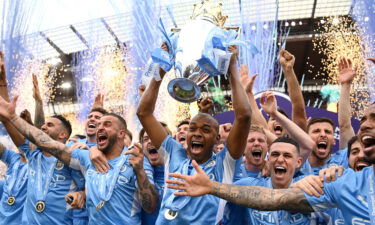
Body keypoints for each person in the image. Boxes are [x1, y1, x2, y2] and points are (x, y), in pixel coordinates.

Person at [165, 103, 375, 224]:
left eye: (373, 118)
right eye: (364, 118)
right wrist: (213, 187)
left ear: (299, 162)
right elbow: (271, 199)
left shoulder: (320, 178)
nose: (365, 124)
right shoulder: (342, 184)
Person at [137, 45, 252, 224]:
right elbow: (143, 113)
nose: (197, 133)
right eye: (192, 128)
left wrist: (231, 67)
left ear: (217, 138)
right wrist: (161, 67)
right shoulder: (174, 152)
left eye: (206, 130)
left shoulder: (225, 163)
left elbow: (244, 116)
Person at [0, 97, 159, 224]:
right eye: (99, 125)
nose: (100, 128)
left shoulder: (136, 160)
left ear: (121, 133)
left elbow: (150, 207)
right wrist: (12, 117)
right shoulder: (86, 158)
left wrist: (139, 172)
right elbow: (46, 142)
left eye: (107, 124)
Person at [139, 122, 171, 225]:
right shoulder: (135, 170)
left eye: (155, 137)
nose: (150, 141)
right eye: (145, 139)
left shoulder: (183, 169)